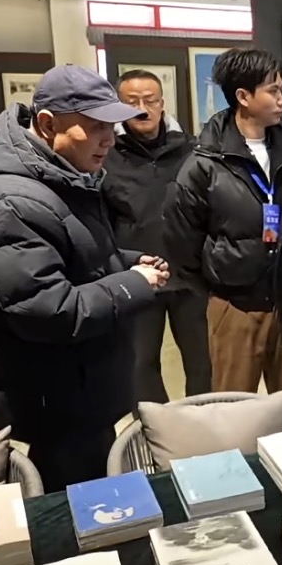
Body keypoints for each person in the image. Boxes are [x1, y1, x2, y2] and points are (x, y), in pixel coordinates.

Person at [0, 64, 169, 491]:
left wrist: (126, 262)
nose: (110, 139)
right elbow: (47, 310)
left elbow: (76, 255)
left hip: (83, 383)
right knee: (73, 502)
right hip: (54, 396)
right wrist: (133, 284)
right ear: (48, 125)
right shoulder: (10, 200)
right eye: (95, 126)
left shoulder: (60, 173)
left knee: (99, 488)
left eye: (112, 126)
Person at [163, 49, 282, 409]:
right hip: (235, 307)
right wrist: (221, 283)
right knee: (232, 414)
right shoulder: (204, 163)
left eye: (281, 90)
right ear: (243, 97)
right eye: (272, 91)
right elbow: (182, 242)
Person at [102, 69, 211, 404]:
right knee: (139, 363)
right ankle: (155, 427)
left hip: (188, 274)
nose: (142, 109)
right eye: (132, 101)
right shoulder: (105, 152)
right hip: (136, 275)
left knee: (203, 362)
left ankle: (204, 422)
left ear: (162, 103)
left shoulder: (190, 148)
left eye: (150, 100)